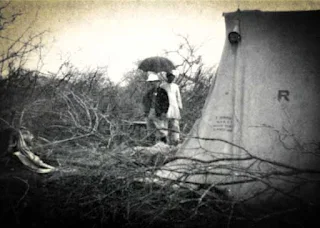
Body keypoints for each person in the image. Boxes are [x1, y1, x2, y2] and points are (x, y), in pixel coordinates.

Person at [142, 72, 169, 144]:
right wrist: (146, 112)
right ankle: (151, 144)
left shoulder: (163, 92)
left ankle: (164, 143)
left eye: (153, 82)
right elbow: (145, 102)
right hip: (150, 111)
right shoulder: (149, 92)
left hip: (158, 112)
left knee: (160, 129)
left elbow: (166, 103)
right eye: (151, 82)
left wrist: (163, 112)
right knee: (150, 129)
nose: (152, 84)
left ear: (158, 82)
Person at [160, 70, 183, 145]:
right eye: (170, 77)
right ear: (167, 77)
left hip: (174, 107)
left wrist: (180, 106)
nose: (171, 78)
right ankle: (165, 141)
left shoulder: (176, 86)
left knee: (175, 124)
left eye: (173, 77)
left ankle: (176, 139)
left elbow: (178, 97)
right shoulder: (162, 86)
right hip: (165, 107)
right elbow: (160, 97)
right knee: (164, 123)